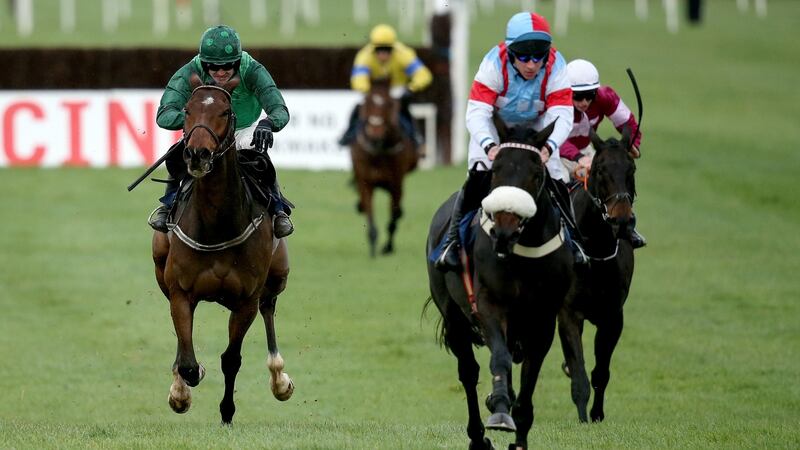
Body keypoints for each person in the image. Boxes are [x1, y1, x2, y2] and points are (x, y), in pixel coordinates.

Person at [435, 11, 585, 271]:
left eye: (538, 58)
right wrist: (488, 145)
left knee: (557, 175)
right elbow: (477, 112)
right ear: (510, 51)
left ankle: (573, 242)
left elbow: (561, 114)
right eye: (524, 57)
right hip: (498, 126)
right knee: (480, 173)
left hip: (537, 127)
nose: (531, 65)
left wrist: (549, 148)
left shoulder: (556, 65)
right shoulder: (493, 63)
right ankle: (452, 242)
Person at [148, 25, 294, 238]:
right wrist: (197, 122)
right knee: (181, 151)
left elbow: (279, 109)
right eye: (213, 67)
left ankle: (278, 209)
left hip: (243, 130)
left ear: (237, 61)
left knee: (258, 153)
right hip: (208, 132)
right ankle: (168, 204)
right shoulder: (191, 70)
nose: (221, 72)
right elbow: (164, 114)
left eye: (228, 66)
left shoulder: (252, 70)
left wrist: (268, 123)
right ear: (203, 63)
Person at [560, 58, 646, 248]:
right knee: (556, 185)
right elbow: (556, 138)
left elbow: (628, 123)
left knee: (611, 177)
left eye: (589, 95)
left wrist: (632, 145)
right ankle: (561, 234)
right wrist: (579, 159)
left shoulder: (605, 96)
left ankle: (626, 224)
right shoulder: (558, 100)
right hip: (554, 151)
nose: (584, 102)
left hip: (585, 151)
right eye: (578, 96)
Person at [338, 23, 433, 152]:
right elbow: (358, 80)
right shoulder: (364, 56)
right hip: (374, 92)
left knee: (403, 112)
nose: (383, 54)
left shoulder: (403, 54)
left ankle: (416, 139)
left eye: (387, 50)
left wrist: (411, 88)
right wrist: (367, 90)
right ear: (373, 49)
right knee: (358, 110)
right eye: (379, 50)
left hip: (396, 90)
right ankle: (348, 135)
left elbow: (423, 75)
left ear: (393, 48)